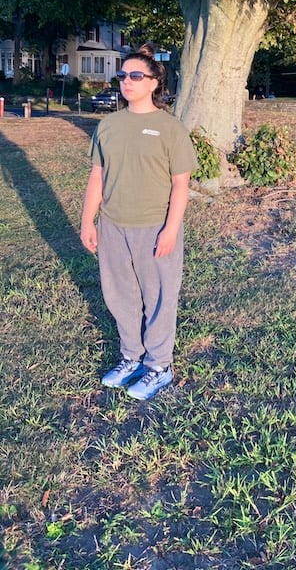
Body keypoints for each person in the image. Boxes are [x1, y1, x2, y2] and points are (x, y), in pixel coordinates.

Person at [80, 44, 198, 400]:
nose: (126, 82)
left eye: (135, 76)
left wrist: (170, 230)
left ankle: (159, 365)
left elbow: (181, 184)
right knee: (121, 295)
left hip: (154, 227)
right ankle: (131, 357)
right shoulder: (109, 125)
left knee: (159, 296)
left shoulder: (170, 129)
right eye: (122, 75)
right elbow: (97, 177)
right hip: (114, 225)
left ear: (153, 82)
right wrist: (89, 222)